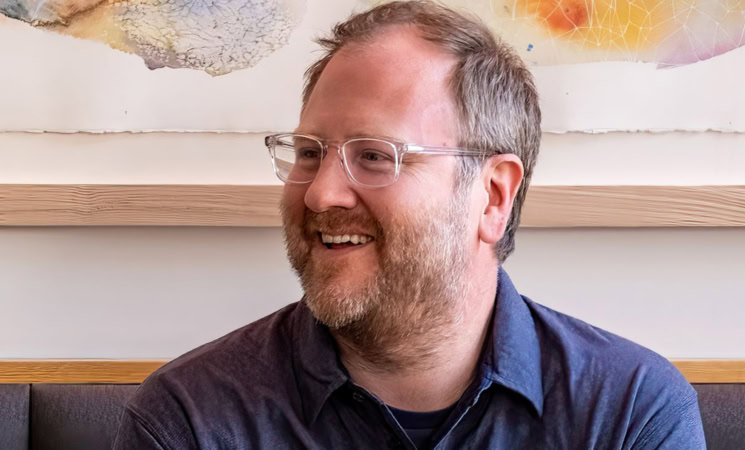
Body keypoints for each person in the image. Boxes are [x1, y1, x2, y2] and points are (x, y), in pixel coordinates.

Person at [114, 1, 706, 449]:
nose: (320, 191)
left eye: (375, 156)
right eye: (310, 152)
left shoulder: (629, 414)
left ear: (492, 196)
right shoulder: (190, 418)